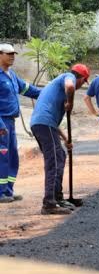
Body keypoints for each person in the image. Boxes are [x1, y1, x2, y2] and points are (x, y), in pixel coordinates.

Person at [30, 64, 90, 215]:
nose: (81, 85)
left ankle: (57, 198)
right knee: (54, 161)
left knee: (60, 156)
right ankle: (49, 203)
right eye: (83, 82)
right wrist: (70, 102)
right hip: (44, 124)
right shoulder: (67, 77)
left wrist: (65, 139)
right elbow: (70, 87)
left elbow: (53, 125)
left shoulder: (57, 86)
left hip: (43, 124)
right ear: (81, 78)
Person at [0, 44, 41, 203]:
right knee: (2, 157)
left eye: (13, 54)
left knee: (12, 157)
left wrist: (48, 93)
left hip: (11, 123)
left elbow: (27, 89)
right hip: (2, 123)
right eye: (8, 54)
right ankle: (1, 193)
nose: (12, 56)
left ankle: (8, 191)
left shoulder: (11, 75)